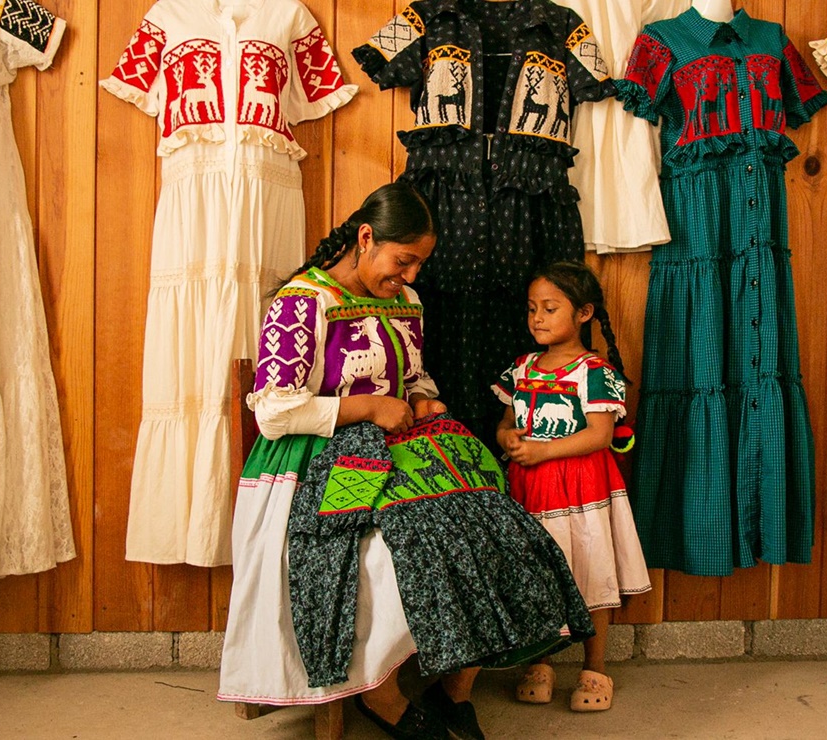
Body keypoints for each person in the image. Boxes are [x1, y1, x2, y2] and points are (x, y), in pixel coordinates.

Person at [217, 184, 593, 740]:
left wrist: (420, 399)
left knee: (489, 526)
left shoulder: (405, 303)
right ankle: (380, 695)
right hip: (316, 460)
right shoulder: (304, 302)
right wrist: (369, 406)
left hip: (399, 449)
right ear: (366, 239)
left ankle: (453, 690)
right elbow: (274, 412)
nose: (412, 276)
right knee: (384, 551)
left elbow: (413, 374)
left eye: (418, 264)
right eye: (404, 261)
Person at [494, 261, 651, 712]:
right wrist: (507, 437)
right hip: (530, 488)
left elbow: (600, 435)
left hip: (581, 488)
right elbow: (507, 420)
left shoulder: (595, 371)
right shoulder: (522, 367)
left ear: (583, 313)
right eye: (531, 309)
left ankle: (595, 666)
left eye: (549, 308)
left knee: (589, 568)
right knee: (540, 573)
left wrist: (544, 451)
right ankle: (540, 661)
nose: (537, 318)